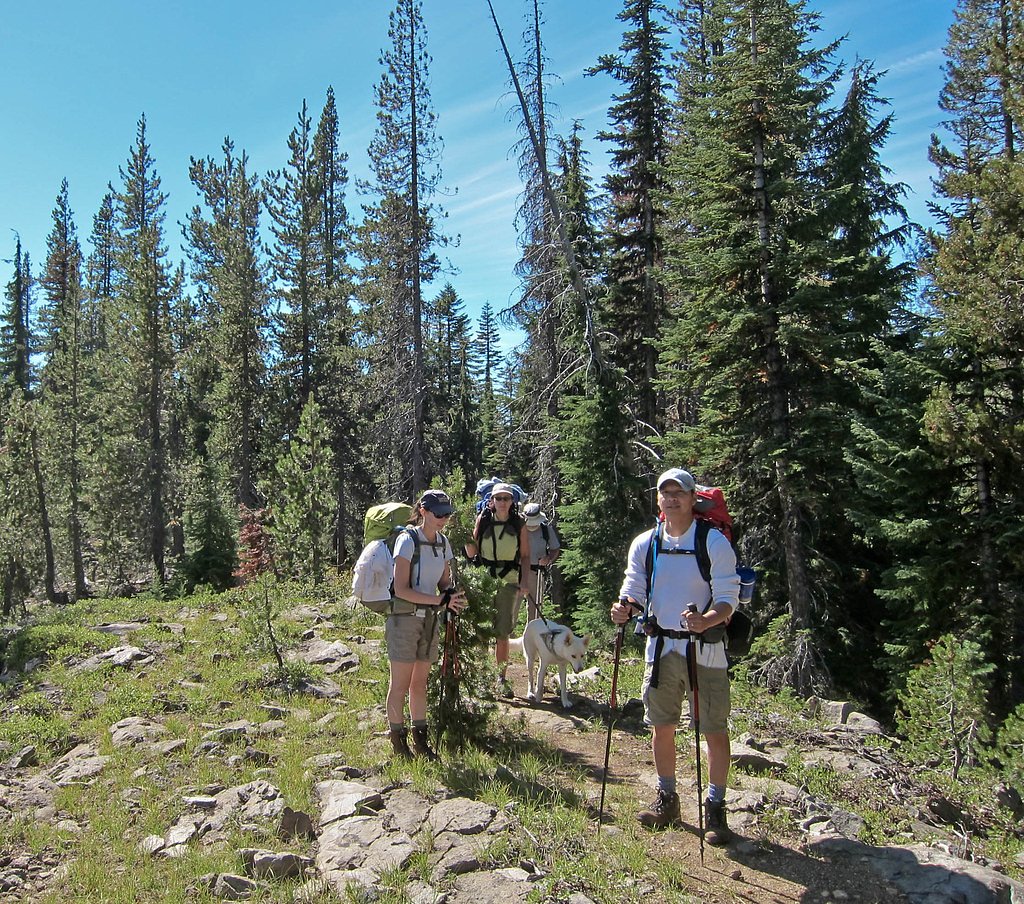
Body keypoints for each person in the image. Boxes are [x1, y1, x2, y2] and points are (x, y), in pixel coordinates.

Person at [610, 468, 741, 843]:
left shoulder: (713, 541)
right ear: (658, 500)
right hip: (662, 647)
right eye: (665, 493)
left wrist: (707, 620)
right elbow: (633, 588)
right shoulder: (646, 543)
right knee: (661, 724)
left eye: (679, 493)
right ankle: (667, 797)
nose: (671, 499)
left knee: (713, 728)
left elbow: (728, 596)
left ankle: (716, 809)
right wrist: (624, 609)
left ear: (692, 498)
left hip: (706, 649)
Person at [386, 490, 467, 760]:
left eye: (447, 514)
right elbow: (401, 589)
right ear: (423, 511)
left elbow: (444, 581)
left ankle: (421, 743)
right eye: (438, 514)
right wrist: (438, 599)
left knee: (419, 683)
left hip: (430, 619)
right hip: (405, 618)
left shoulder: (443, 543)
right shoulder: (407, 541)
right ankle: (399, 743)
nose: (444, 519)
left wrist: (450, 595)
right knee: (400, 684)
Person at [464, 482, 530, 696]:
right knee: (482, 630)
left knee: (502, 632)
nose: (502, 502)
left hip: (509, 581)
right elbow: (472, 553)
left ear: (512, 501)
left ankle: (501, 678)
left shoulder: (519, 522)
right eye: (498, 498)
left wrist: (524, 581)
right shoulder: (483, 520)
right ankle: (483, 678)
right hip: (485, 580)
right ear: (491, 500)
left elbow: (526, 555)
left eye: (506, 498)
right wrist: (466, 536)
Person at [522, 502, 561, 622]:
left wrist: (548, 559)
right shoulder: (518, 529)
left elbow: (555, 549)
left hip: (536, 572)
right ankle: (508, 638)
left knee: (535, 606)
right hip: (517, 570)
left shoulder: (545, 529)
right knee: (512, 604)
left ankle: (532, 634)